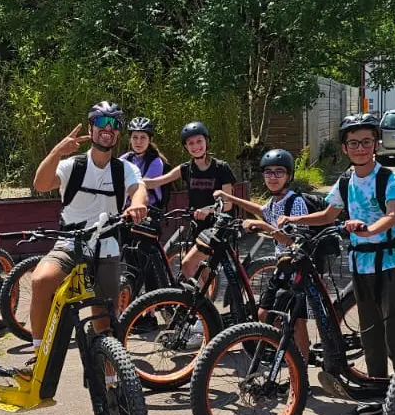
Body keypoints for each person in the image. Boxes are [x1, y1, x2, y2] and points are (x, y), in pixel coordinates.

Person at [279, 113, 395, 415]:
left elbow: (393, 215)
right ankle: (379, 400)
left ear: (376, 144)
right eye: (354, 143)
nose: (361, 148)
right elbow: (328, 214)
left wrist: (367, 230)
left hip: (391, 262)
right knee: (370, 335)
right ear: (345, 148)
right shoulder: (345, 181)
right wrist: (295, 220)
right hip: (360, 264)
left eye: (366, 142)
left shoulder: (389, 178)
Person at [21, 102, 149, 378]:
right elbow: (41, 184)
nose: (108, 129)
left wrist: (137, 205)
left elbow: (139, 191)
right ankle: (39, 354)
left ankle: (111, 379)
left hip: (106, 245)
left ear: (119, 134)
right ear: (91, 128)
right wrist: (57, 151)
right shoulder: (73, 165)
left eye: (115, 124)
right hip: (70, 241)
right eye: (101, 122)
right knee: (41, 280)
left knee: (104, 317)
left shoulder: (123, 169)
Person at [213, 148, 310, 360]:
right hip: (281, 266)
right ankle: (285, 356)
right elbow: (261, 210)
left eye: (279, 172)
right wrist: (230, 197)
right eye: (268, 172)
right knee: (264, 314)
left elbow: (294, 242)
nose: (273, 177)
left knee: (297, 320)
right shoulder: (275, 201)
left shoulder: (296, 203)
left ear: (289, 176)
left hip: (296, 268)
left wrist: (263, 227)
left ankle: (300, 366)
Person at [142, 121, 235, 281]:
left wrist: (209, 210)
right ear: (186, 147)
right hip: (198, 225)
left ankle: (196, 304)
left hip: (218, 225)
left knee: (187, 264)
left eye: (199, 141)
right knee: (202, 271)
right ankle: (204, 304)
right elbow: (157, 182)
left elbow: (228, 204)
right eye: (190, 143)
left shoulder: (221, 168)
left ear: (207, 141)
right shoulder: (186, 169)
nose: (196, 146)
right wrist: (130, 182)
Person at [120, 117, 171, 209]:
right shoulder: (126, 158)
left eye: (143, 137)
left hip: (149, 209)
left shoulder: (156, 161)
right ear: (130, 139)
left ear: (150, 140)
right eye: (135, 137)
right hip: (127, 208)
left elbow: (144, 184)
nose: (138, 141)